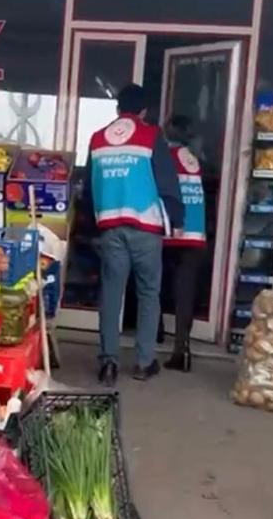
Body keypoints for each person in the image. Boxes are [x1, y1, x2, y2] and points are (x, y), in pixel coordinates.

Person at [83, 84, 184, 386]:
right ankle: (143, 362)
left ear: (118, 109)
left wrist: (90, 227)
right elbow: (167, 182)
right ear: (144, 111)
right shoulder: (151, 136)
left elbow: (88, 188)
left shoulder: (97, 139)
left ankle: (108, 363)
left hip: (110, 227)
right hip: (146, 228)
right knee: (148, 293)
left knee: (112, 294)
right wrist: (176, 218)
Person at [158, 115, 207, 373]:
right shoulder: (194, 158)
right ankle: (182, 349)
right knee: (185, 293)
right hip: (195, 232)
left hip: (172, 232)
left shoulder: (165, 157)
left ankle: (156, 333)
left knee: (154, 286)